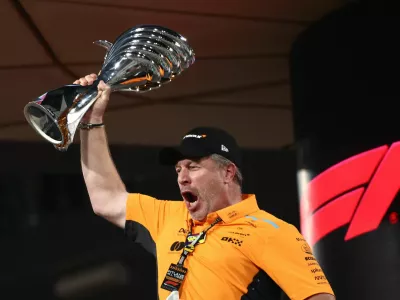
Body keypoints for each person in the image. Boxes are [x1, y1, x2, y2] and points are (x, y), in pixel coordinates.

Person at [76, 73, 336, 300]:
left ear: (228, 172)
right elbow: (105, 198)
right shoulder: (168, 216)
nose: (182, 177)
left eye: (193, 167)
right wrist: (91, 120)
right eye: (178, 169)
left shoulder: (272, 232)